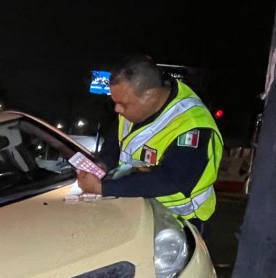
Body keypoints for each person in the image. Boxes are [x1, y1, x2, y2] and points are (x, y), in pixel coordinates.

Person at [77, 55, 223, 230]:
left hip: (181, 220)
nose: (117, 109)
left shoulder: (192, 126)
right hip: (138, 207)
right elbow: (114, 144)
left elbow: (171, 180)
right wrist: (103, 164)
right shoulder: (134, 107)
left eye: (123, 104)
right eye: (115, 102)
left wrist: (102, 188)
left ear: (150, 95)